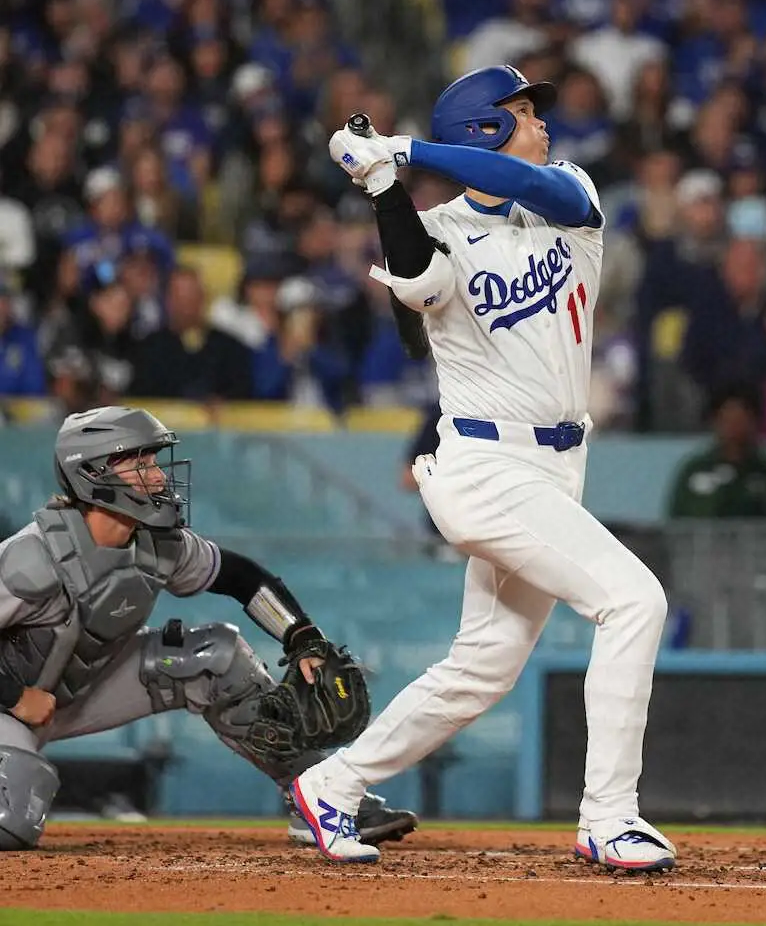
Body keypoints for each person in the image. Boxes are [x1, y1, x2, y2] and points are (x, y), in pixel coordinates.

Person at [292, 66, 674, 870]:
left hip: (557, 465)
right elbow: (416, 295)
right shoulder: (434, 228)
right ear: (485, 128)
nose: (542, 124)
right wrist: (384, 187)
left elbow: (535, 187)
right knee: (635, 600)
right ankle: (608, 815)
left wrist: (402, 149)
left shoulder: (569, 193)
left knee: (483, 668)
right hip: (485, 465)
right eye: (523, 112)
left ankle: (333, 783)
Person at [0, 406, 416, 853]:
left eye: (154, 461)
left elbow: (241, 577)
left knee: (215, 657)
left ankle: (319, 795)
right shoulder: (32, 558)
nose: (158, 476)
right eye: (140, 463)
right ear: (93, 474)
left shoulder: (157, 544)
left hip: (65, 696)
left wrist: (301, 637)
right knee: (10, 825)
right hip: (11, 706)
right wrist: (15, 696)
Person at [667, 384, 766, 520]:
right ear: (714, 422)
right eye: (727, 421)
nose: (733, 429)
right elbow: (675, 523)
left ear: (754, 423)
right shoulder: (694, 470)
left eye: (740, 421)